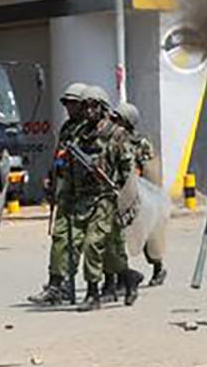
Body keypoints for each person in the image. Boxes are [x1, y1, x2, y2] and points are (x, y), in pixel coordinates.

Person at [67, 86, 136, 311]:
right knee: (87, 245)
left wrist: (126, 199)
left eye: (93, 105)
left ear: (103, 108)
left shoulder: (116, 134)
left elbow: (127, 170)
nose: (88, 110)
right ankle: (127, 276)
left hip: (106, 196)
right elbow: (68, 165)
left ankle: (92, 293)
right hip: (81, 197)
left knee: (93, 244)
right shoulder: (79, 134)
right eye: (85, 105)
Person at [27, 83, 92, 305]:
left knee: (82, 241)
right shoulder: (67, 128)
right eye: (67, 103)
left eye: (73, 103)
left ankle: (106, 280)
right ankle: (56, 283)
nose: (69, 108)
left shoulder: (90, 129)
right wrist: (50, 178)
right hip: (65, 190)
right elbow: (59, 155)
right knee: (60, 237)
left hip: (86, 193)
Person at [114, 101, 166, 286]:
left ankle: (158, 266)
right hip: (119, 192)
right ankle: (120, 275)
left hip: (139, 193)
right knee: (117, 234)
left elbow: (149, 169)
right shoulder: (112, 140)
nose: (114, 122)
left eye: (118, 119)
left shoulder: (141, 143)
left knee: (145, 232)